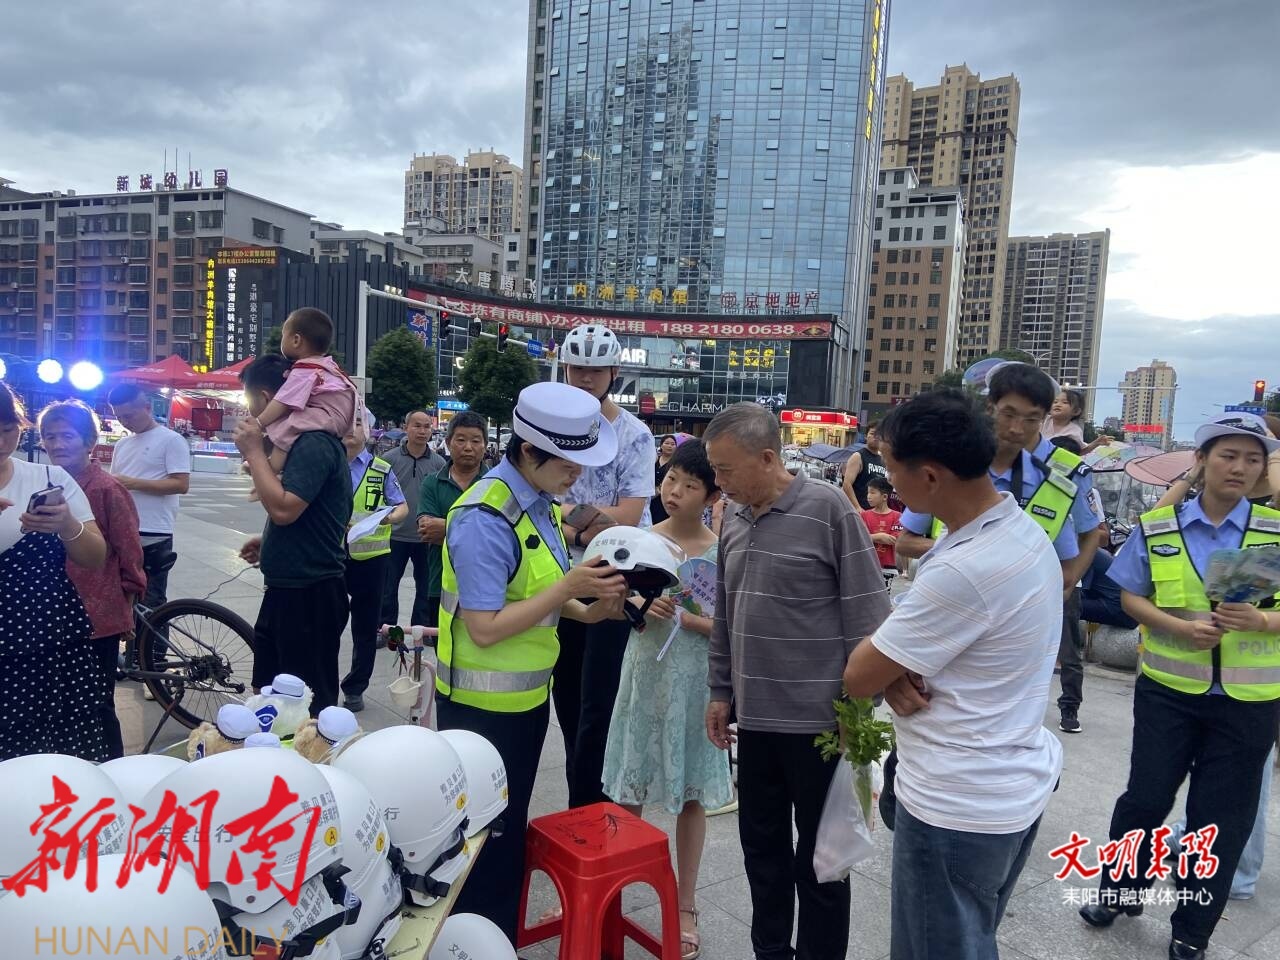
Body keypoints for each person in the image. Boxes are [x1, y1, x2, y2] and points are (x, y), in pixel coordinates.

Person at [843, 389, 1064, 960]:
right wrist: (900, 664)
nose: (891, 487)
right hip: (1007, 784)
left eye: (893, 471)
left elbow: (860, 676)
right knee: (970, 938)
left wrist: (890, 665)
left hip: (957, 804)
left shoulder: (967, 568)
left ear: (930, 476)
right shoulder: (1019, 531)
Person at [1079, 412, 1280, 960]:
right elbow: (1130, 595)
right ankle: (1119, 893)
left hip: (1248, 701)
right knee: (1144, 799)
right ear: (1202, 460)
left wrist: (1261, 620)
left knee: (1221, 819)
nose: (1240, 467)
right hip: (1168, 692)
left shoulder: (1272, 531)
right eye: (1228, 455)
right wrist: (1179, 627)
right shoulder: (1160, 527)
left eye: (1253, 458)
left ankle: (1192, 929)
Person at [435, 381, 629, 944]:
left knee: (507, 827)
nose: (577, 475)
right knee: (487, 843)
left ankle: (493, 938)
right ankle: (476, 943)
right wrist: (570, 587)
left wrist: (590, 611)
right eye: (568, 463)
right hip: (480, 711)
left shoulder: (537, 503)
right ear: (528, 451)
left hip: (522, 703)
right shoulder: (484, 518)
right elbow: (485, 627)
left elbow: (536, 590)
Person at [703, 402, 891, 960]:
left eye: (726, 469)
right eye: (714, 470)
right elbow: (725, 615)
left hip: (821, 726)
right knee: (762, 852)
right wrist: (720, 691)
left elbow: (867, 614)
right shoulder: (734, 519)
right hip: (756, 721)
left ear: (767, 458)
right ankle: (770, 950)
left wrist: (857, 708)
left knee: (823, 861)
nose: (719, 481)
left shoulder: (828, 509)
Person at [603, 439, 733, 960]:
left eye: (690, 484)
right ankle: (613, 892)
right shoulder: (638, 541)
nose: (674, 491)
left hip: (696, 680)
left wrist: (684, 616)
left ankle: (686, 905)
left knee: (692, 793)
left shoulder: (721, 551)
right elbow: (611, 602)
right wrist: (635, 602)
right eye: (671, 479)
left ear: (712, 495)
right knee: (629, 784)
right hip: (644, 674)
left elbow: (727, 627)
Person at [554, 324, 657, 808]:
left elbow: (630, 516)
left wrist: (571, 521)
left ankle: (590, 809)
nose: (585, 377)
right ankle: (580, 801)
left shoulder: (634, 435)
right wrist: (591, 522)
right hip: (560, 574)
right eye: (578, 368)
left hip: (615, 579)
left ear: (614, 372)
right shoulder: (553, 426)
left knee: (600, 702)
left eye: (596, 370)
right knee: (565, 699)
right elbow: (541, 505)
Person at [234, 354, 351, 716]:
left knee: (303, 708)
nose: (250, 412)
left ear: (266, 398)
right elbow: (299, 514)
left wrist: (254, 451)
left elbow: (285, 510)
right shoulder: (300, 442)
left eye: (250, 402)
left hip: (310, 595)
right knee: (270, 694)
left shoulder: (313, 443)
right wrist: (269, 544)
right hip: (287, 588)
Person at [0, 383, 110, 761]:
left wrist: (67, 525)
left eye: (8, 429)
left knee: (50, 746)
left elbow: (95, 556)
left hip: (47, 635)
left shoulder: (50, 479)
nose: (1, 442)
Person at [39, 400, 146, 761]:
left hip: (97, 615)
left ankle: (111, 767)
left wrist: (127, 606)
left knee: (97, 700)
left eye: (67, 436)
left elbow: (129, 550)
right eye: (49, 436)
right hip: (55, 612)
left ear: (89, 442)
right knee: (61, 698)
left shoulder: (105, 489)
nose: (57, 444)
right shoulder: (47, 484)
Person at [107, 382, 190, 640]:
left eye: (129, 415)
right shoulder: (122, 444)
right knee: (122, 598)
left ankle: (154, 656)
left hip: (154, 532)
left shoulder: (171, 440)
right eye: (119, 417)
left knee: (152, 601)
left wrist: (133, 483)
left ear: (147, 408)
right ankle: (132, 655)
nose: (125, 421)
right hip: (122, 530)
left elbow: (180, 484)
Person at [340, 405, 408, 713]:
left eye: (356, 423)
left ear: (367, 431)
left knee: (365, 627)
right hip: (332, 557)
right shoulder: (328, 464)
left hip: (372, 558)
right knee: (326, 622)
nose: (349, 429)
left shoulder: (381, 469)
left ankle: (355, 687)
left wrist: (389, 518)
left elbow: (401, 506)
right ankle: (321, 682)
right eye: (344, 422)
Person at [247, 307, 357, 476]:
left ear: (296, 340)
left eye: (284, 335)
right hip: (340, 418)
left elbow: (283, 401)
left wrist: (259, 422)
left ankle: (270, 470)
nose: (281, 340)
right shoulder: (324, 365)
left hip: (327, 414)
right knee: (289, 427)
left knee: (288, 427)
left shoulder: (305, 370)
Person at [417, 411, 489, 631]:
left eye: (475, 441)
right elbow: (428, 530)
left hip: (487, 583)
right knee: (443, 645)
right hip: (441, 584)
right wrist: (481, 530)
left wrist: (446, 528)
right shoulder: (432, 483)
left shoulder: (496, 484)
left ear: (485, 445)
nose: (468, 447)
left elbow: (503, 534)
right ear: (448, 443)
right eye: (461, 440)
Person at [380, 409, 445, 630]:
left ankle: (423, 629)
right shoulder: (388, 460)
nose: (422, 431)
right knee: (388, 587)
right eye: (417, 425)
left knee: (426, 587)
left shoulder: (439, 463)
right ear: (405, 427)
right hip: (394, 535)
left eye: (427, 426)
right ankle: (386, 629)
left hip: (426, 537)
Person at [1044, 388, 1113, 454]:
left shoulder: (1074, 431)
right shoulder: (1044, 419)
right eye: (1055, 402)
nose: (1058, 404)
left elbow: (1080, 451)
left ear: (1076, 411)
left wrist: (1096, 443)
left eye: (1065, 402)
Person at [860, 475, 902, 583]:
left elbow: (894, 539)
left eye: (872, 493)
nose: (868, 496)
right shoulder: (864, 515)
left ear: (884, 497)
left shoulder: (897, 516)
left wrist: (869, 537)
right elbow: (859, 538)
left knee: (883, 593)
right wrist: (880, 536)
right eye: (868, 492)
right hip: (866, 564)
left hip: (887, 567)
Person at [841, 421, 889, 510]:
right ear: (866, 436)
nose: (876, 437)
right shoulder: (858, 456)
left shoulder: (882, 459)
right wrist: (857, 507)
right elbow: (846, 484)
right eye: (872, 433)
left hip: (875, 512)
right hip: (858, 510)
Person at [651, 433, 679, 523]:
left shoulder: (676, 464)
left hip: (666, 499)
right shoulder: (654, 460)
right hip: (650, 498)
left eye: (673, 444)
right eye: (667, 443)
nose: (670, 446)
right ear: (661, 445)